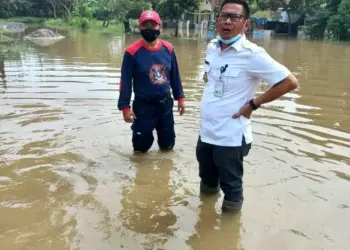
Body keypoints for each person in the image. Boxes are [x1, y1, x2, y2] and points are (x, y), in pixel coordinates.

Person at [196, 0, 299, 212]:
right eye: (223, 16)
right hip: (206, 133)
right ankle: (204, 220)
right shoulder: (212, 48)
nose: (227, 21)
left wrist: (254, 103)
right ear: (217, 20)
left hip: (231, 136)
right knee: (206, 181)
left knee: (232, 189)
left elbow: (290, 82)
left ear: (246, 24)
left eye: (235, 17)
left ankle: (227, 235)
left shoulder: (253, 54)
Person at [118, 10, 186, 153]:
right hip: (143, 107)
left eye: (153, 25)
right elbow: (125, 82)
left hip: (165, 105)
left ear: (159, 27)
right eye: (145, 25)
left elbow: (175, 75)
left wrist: (180, 98)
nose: (149, 28)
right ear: (139, 28)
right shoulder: (132, 52)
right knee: (140, 149)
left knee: (167, 146)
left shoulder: (168, 49)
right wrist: (125, 108)